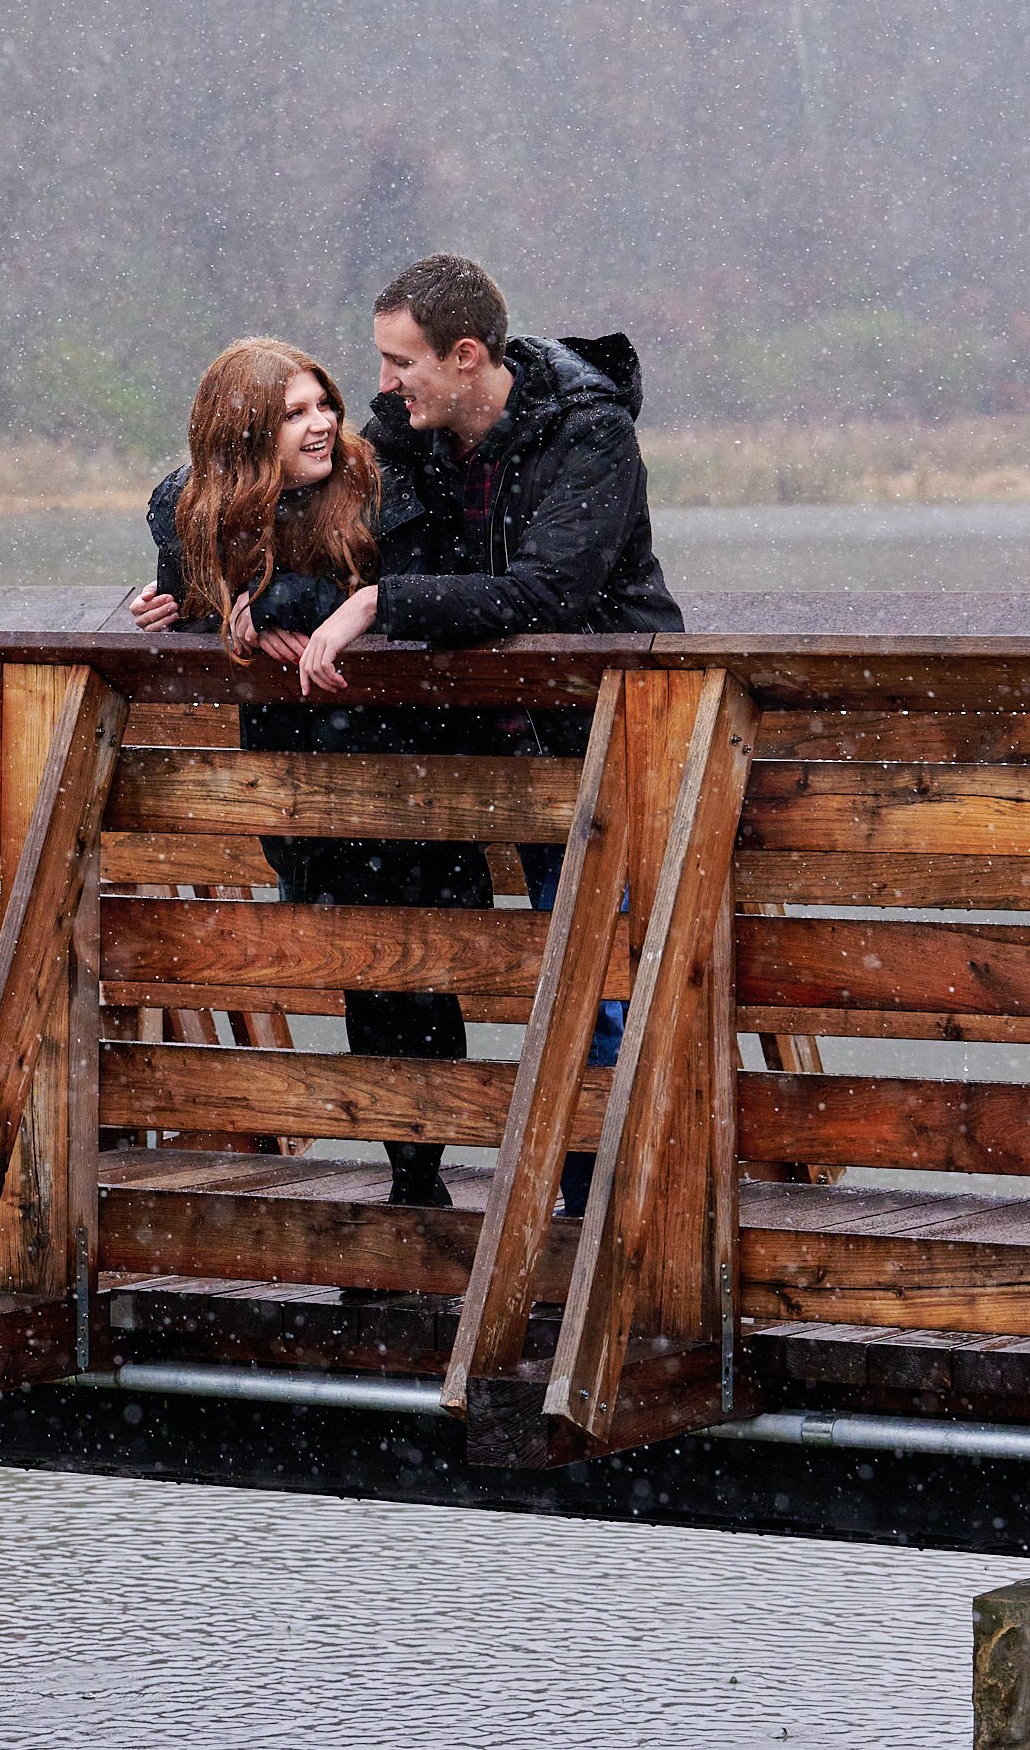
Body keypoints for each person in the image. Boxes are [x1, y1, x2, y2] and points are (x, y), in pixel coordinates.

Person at [290, 254, 685, 1214]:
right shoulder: (404, 436)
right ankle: (453, 1195)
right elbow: (244, 483)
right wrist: (208, 587)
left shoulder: (592, 438)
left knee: (602, 982)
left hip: (599, 744)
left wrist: (383, 598)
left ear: (466, 357)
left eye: (399, 363)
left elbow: (548, 594)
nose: (379, 387)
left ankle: (603, 1219)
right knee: (423, 958)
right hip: (468, 755)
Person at [129, 336, 490, 1209]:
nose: (323, 423)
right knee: (364, 972)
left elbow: (427, 592)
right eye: (295, 413)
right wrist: (193, 610)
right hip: (300, 772)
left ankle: (423, 1172)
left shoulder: (380, 486)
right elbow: (190, 583)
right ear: (245, 430)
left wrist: (296, 603)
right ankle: (411, 1170)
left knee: (424, 967)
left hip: (405, 760)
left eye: (322, 403)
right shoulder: (189, 504)